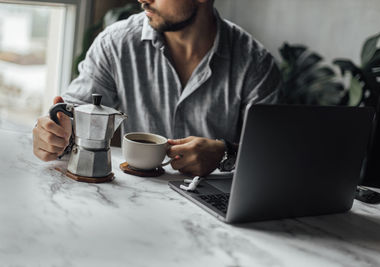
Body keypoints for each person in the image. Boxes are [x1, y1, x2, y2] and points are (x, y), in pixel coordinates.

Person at [32, 0, 282, 176]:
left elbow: (274, 155)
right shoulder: (115, 44)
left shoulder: (255, 63)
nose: (142, 0)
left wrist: (226, 153)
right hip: (135, 199)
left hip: (215, 209)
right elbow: (71, 115)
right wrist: (53, 135)